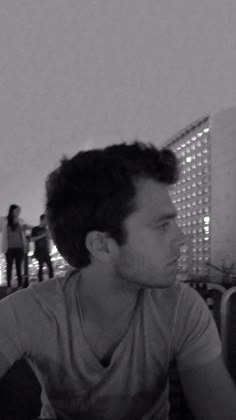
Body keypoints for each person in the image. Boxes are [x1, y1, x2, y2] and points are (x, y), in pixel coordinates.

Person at [0, 141, 236, 420]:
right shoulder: (29, 312)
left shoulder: (181, 308)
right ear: (101, 245)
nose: (181, 238)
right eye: (162, 225)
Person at [0, 204, 28, 292]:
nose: (18, 212)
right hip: (9, 248)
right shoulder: (4, 220)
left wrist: (25, 246)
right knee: (9, 267)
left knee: (19, 267)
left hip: (19, 247)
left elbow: (23, 234)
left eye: (19, 211)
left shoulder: (21, 221)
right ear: (12, 210)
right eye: (16, 210)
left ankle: (20, 285)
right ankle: (9, 286)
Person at [31, 214, 54, 282]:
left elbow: (49, 238)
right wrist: (43, 235)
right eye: (46, 220)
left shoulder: (46, 229)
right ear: (42, 220)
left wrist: (49, 235)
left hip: (46, 251)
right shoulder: (35, 229)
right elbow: (32, 239)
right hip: (39, 251)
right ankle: (40, 283)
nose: (47, 222)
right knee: (40, 268)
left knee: (50, 268)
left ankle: (51, 282)